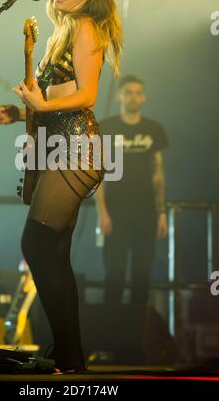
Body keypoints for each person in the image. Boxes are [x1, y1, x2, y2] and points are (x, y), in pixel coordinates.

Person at [0, 0, 123, 373]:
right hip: (60, 146)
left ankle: (69, 353)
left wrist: (41, 102)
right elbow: (50, 104)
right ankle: (69, 355)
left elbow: (86, 95)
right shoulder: (58, 34)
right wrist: (22, 111)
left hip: (77, 148)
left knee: (35, 244)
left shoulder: (86, 28)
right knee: (54, 252)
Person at [95, 75, 169, 360]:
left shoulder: (154, 130)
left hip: (147, 214)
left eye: (139, 92)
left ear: (144, 97)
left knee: (141, 279)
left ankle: (137, 346)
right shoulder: (108, 127)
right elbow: (99, 173)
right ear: (120, 96)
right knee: (114, 279)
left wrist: (162, 212)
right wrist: (102, 212)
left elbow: (158, 173)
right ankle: (110, 345)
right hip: (115, 213)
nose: (134, 97)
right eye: (129, 92)